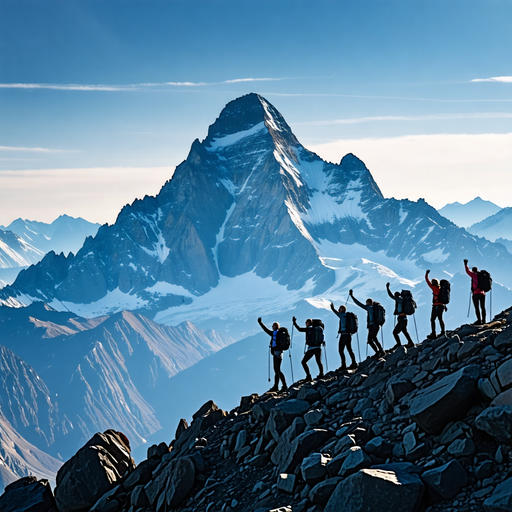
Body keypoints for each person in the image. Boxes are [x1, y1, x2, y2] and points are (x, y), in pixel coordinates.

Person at [348, 290, 384, 357]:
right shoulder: (375, 308)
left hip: (372, 326)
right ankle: (381, 351)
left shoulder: (369, 308)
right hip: (377, 326)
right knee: (374, 338)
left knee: (370, 340)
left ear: (369, 303)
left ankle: (378, 352)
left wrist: (352, 296)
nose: (366, 304)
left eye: (367, 303)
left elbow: (359, 304)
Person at [257, 317, 287, 392]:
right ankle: (277, 386)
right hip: (280, 352)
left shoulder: (274, 333)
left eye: (273, 326)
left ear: (275, 326)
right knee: (277, 370)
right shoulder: (280, 333)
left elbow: (265, 330)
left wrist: (260, 323)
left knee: (277, 370)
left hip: (276, 353)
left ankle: (283, 386)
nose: (272, 327)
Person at [292, 317, 324, 381]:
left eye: (306, 322)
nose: (305, 323)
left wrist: (294, 322)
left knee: (303, 362)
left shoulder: (309, 329)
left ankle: (308, 376)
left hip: (311, 348)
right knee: (318, 361)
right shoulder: (319, 329)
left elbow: (299, 329)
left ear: (309, 323)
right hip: (318, 347)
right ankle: (321, 374)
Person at [330, 302, 358, 371]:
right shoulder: (347, 315)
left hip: (343, 336)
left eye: (340, 309)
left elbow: (335, 312)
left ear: (341, 310)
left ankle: (343, 365)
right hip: (349, 335)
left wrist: (332, 307)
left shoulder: (341, 315)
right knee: (349, 349)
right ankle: (354, 362)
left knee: (341, 350)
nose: (339, 310)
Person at [386, 283, 414, 349]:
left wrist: (387, 288)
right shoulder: (403, 300)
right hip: (404, 318)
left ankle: (399, 344)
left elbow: (391, 295)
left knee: (395, 332)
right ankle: (410, 342)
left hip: (401, 319)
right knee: (404, 331)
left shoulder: (399, 299)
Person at [464, 259, 486, 325]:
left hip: (476, 294)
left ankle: (479, 320)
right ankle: (484, 320)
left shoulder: (473, 275)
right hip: (482, 293)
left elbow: (467, 271)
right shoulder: (481, 276)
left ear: (473, 271)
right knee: (483, 307)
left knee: (477, 307)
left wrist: (465, 264)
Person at [425, 269, 446, 339]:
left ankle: (433, 333)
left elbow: (427, 282)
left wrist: (426, 274)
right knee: (440, 318)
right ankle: (443, 331)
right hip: (442, 306)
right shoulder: (441, 289)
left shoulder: (434, 288)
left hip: (436, 305)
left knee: (432, 319)